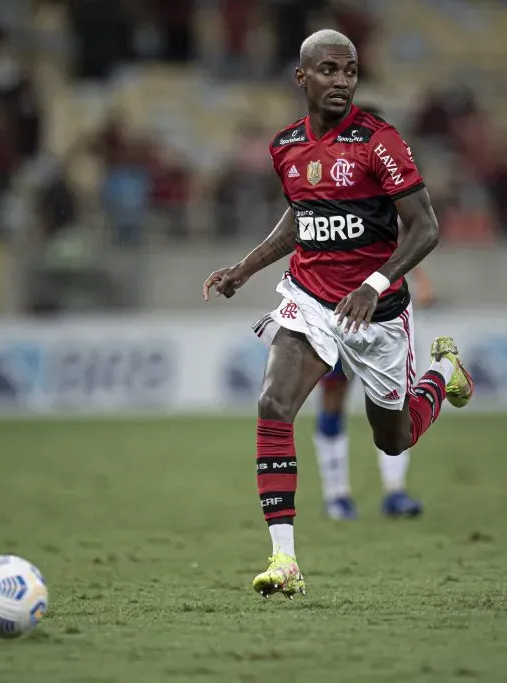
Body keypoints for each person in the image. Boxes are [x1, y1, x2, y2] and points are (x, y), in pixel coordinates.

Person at [203, 29, 474, 599]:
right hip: (311, 301)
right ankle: (284, 560)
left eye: (349, 72)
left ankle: (444, 373)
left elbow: (425, 228)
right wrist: (244, 269)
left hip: (378, 315)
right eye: (328, 70)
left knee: (392, 441)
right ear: (302, 77)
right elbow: (301, 217)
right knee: (273, 403)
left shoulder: (380, 142)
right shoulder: (286, 147)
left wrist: (376, 284)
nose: (341, 81)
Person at [315, 264, 434, 521]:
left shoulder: (388, 224)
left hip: (385, 315)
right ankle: (336, 495)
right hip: (336, 313)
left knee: (393, 400)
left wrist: (420, 278)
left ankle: (395, 490)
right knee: (333, 399)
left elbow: (404, 238)